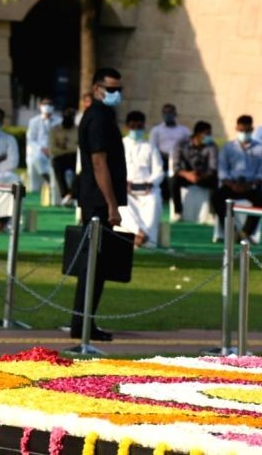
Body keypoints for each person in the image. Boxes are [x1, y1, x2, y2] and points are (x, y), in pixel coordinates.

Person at [71, 67, 127, 342]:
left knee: (97, 265)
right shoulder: (98, 118)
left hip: (96, 199)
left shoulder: (103, 116)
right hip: (97, 202)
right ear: (97, 89)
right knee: (94, 264)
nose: (116, 94)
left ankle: (84, 323)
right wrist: (111, 205)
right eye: (111, 89)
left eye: (119, 89)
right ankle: (82, 325)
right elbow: (98, 162)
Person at [213, 115, 262, 242]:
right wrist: (232, 185)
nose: (244, 133)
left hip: (250, 186)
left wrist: (249, 185)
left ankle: (246, 232)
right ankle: (230, 231)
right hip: (231, 185)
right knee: (216, 197)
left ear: (252, 129)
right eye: (241, 130)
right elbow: (222, 171)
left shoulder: (260, 149)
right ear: (236, 128)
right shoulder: (228, 148)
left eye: (247, 131)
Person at [119, 111, 163, 247]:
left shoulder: (150, 147)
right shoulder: (119, 145)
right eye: (133, 127)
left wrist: (150, 183)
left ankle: (145, 238)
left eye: (139, 127)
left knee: (155, 202)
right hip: (126, 189)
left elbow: (159, 171)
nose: (136, 130)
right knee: (121, 206)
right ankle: (138, 233)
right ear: (127, 127)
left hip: (147, 189)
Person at [171, 121, 218, 222]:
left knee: (216, 182)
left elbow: (213, 168)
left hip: (204, 176)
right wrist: (187, 175)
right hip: (186, 175)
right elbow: (176, 166)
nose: (209, 136)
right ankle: (177, 212)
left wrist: (201, 176)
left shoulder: (212, 146)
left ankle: (212, 213)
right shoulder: (181, 144)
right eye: (207, 134)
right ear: (198, 134)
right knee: (173, 181)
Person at [149, 104, 191, 202]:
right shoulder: (156, 130)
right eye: (165, 113)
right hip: (162, 159)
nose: (168, 115)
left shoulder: (184, 130)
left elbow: (189, 146)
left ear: (175, 114)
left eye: (170, 112)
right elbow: (152, 147)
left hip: (179, 161)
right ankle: (163, 198)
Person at [26, 97, 61, 195]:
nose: (47, 107)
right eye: (45, 104)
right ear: (40, 106)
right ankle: (48, 179)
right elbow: (31, 139)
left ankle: (54, 184)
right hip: (39, 150)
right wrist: (41, 149)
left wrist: (52, 149)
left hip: (54, 150)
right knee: (37, 158)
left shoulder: (59, 121)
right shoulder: (34, 121)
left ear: (53, 107)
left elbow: (61, 138)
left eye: (50, 104)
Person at [49, 105, 78, 206]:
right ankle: (65, 194)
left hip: (74, 158)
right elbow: (52, 149)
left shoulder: (77, 130)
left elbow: (79, 149)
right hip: (60, 158)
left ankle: (72, 194)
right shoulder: (54, 130)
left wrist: (64, 148)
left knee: (81, 169)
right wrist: (69, 149)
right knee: (56, 165)